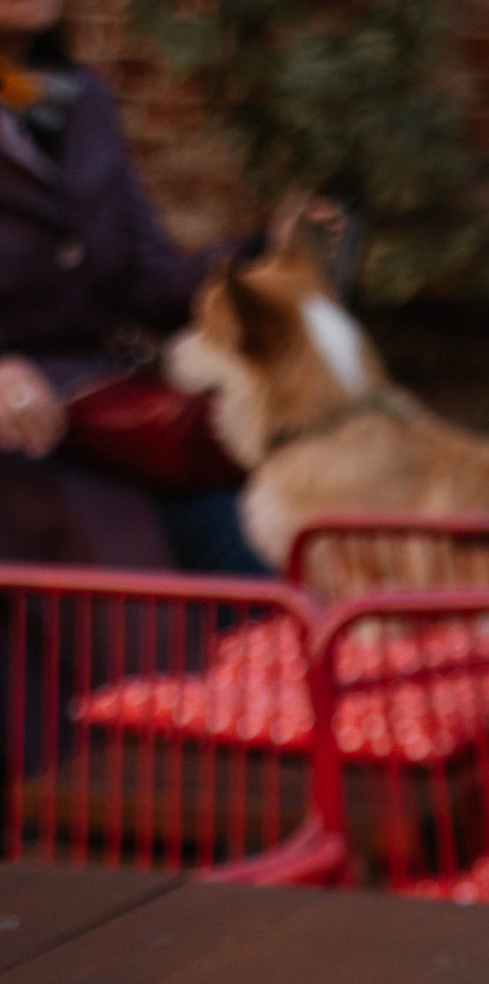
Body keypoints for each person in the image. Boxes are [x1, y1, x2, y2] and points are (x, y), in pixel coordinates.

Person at [0, 1, 248, 569]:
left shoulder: (81, 97)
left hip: (105, 425)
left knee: (244, 546)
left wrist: (261, 261)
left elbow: (145, 278)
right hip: (22, 453)